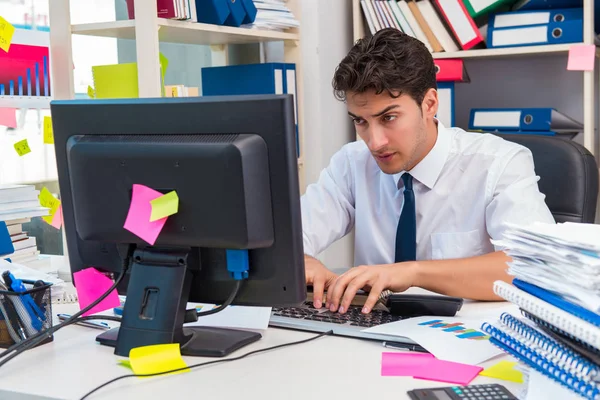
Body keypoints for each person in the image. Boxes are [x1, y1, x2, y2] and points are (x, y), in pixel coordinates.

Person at [300, 28, 555, 315]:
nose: (374, 141)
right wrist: (302, 262)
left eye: (389, 118)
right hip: (370, 331)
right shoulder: (351, 163)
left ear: (429, 104)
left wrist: (412, 273)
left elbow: (535, 267)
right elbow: (288, 238)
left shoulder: (499, 163)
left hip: (469, 337)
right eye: (361, 121)